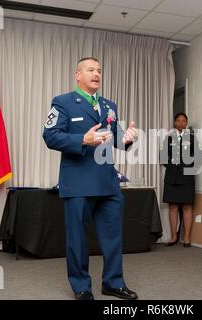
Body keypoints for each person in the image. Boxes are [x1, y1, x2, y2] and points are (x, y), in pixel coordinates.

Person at [43, 57, 138, 300]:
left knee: (113, 237)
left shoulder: (109, 105)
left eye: (99, 70)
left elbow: (114, 138)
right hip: (78, 183)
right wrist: (80, 140)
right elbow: (50, 136)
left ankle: (113, 283)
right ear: (77, 75)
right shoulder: (63, 102)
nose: (96, 74)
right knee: (77, 239)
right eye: (90, 70)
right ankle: (81, 286)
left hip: (108, 182)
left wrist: (126, 138)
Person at [160, 113, 202, 248]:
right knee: (172, 206)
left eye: (183, 121)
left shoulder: (192, 138)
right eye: (178, 120)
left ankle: (187, 237)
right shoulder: (168, 139)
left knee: (187, 206)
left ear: (186, 124)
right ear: (175, 123)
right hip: (172, 177)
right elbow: (162, 158)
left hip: (187, 177)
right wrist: (174, 166)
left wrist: (186, 166)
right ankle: (173, 237)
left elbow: (199, 158)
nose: (180, 123)